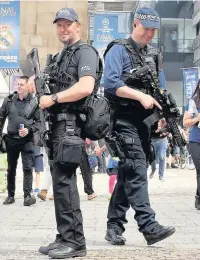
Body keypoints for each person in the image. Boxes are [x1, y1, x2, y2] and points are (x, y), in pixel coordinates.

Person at [103, 7, 175, 246]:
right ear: (135, 24)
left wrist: (162, 116)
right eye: (147, 28)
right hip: (122, 119)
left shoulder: (154, 54)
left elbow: (160, 91)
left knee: (128, 173)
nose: (151, 34)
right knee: (136, 168)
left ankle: (114, 226)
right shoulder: (118, 49)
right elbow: (111, 83)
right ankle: (148, 225)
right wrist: (138, 95)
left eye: (154, 29)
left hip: (144, 122)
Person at [37, 8, 101, 259]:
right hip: (57, 126)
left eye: (68, 24)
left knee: (65, 182)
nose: (63, 29)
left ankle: (76, 242)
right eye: (59, 25)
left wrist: (52, 98)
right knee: (60, 184)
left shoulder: (85, 52)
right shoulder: (64, 54)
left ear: (78, 26)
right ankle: (64, 236)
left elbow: (86, 86)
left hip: (71, 125)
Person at [0, 76, 40, 206]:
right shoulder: (9, 100)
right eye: (17, 84)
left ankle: (27, 196)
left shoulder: (34, 102)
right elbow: (1, 118)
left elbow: (39, 123)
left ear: (27, 86)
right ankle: (10, 195)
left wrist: (29, 130)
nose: (19, 87)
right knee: (11, 168)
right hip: (11, 139)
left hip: (27, 140)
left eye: (21, 84)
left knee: (28, 168)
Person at [183, 81, 200, 210]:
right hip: (196, 141)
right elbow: (186, 122)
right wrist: (197, 118)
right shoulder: (194, 102)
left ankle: (198, 195)